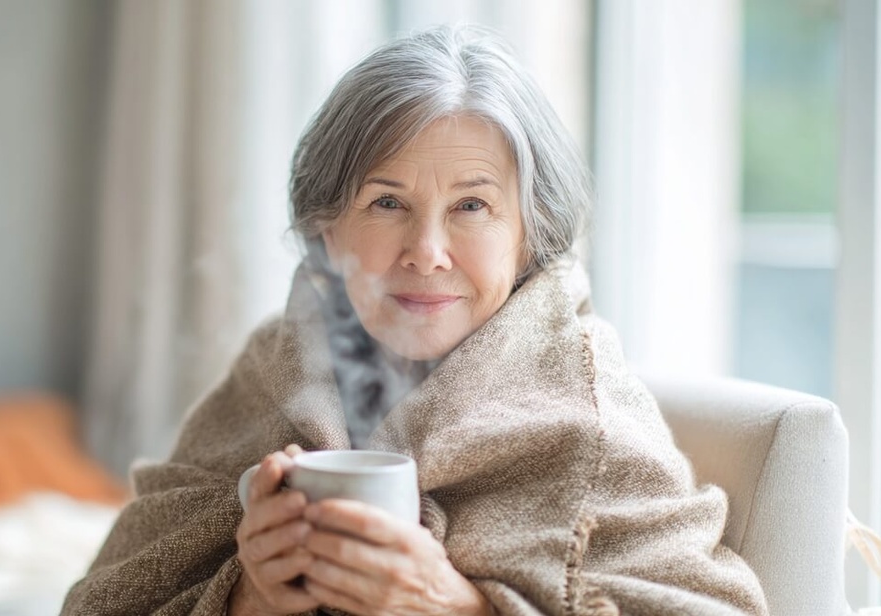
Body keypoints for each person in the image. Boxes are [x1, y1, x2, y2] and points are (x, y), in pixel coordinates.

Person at [62, 25, 768, 616]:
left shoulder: (589, 420)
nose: (426, 254)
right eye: (387, 203)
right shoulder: (272, 368)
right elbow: (103, 599)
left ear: (530, 234)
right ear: (326, 232)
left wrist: (459, 607)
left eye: (472, 206)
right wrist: (249, 594)